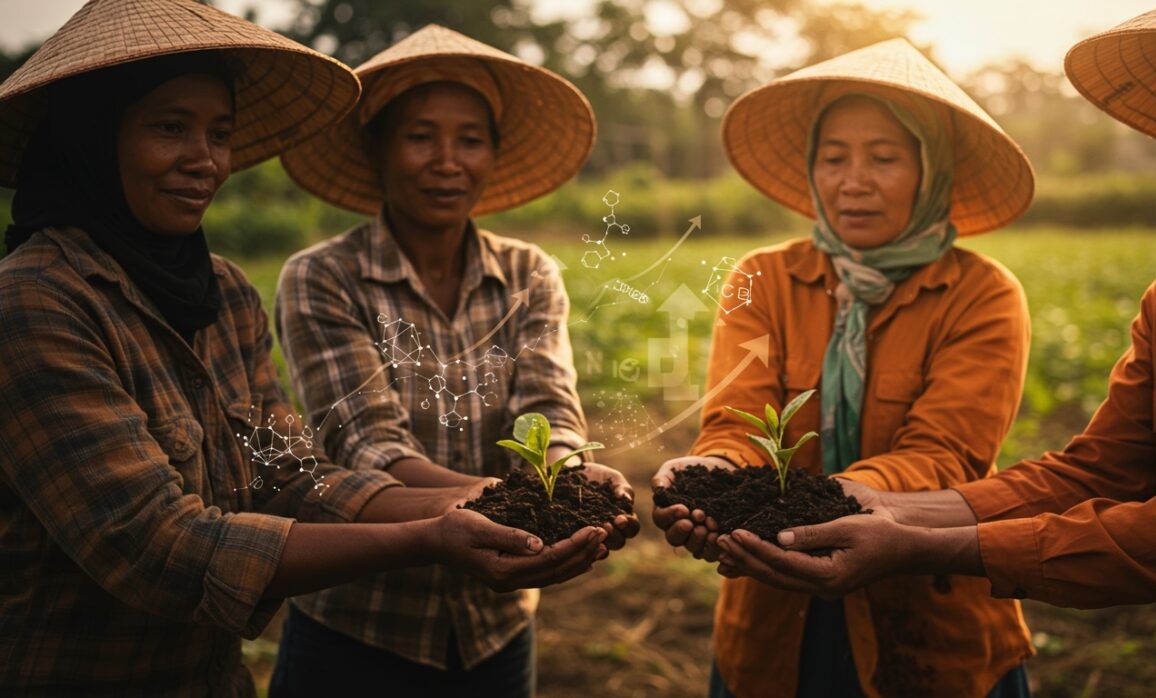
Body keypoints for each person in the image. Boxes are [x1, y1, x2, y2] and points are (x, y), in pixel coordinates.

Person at [0, 2, 607, 695]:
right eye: (170, 128)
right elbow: (151, 544)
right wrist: (431, 531)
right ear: (92, 137)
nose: (204, 160)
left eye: (220, 133)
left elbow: (290, 476)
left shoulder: (221, 294)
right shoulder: (36, 300)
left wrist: (487, 498)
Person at [712, 2, 1156, 695]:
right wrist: (780, 485)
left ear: (931, 172)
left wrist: (917, 534)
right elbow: (1096, 472)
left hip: (933, 635)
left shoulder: (979, 293)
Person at [650, 39, 1037, 697]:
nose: (853, 180)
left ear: (930, 169)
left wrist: (839, 501)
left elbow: (946, 454)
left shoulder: (981, 294)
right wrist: (714, 470)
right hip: (772, 619)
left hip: (927, 621)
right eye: (834, 159)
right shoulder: (765, 279)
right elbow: (737, 420)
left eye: (883, 158)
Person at [269, 24, 640, 697]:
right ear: (377, 147)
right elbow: (369, 444)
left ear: (494, 154)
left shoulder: (527, 273)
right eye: (420, 136)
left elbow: (548, 409)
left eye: (470, 139)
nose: (447, 160)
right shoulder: (323, 277)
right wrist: (512, 504)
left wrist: (569, 478)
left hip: (495, 627)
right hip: (359, 625)